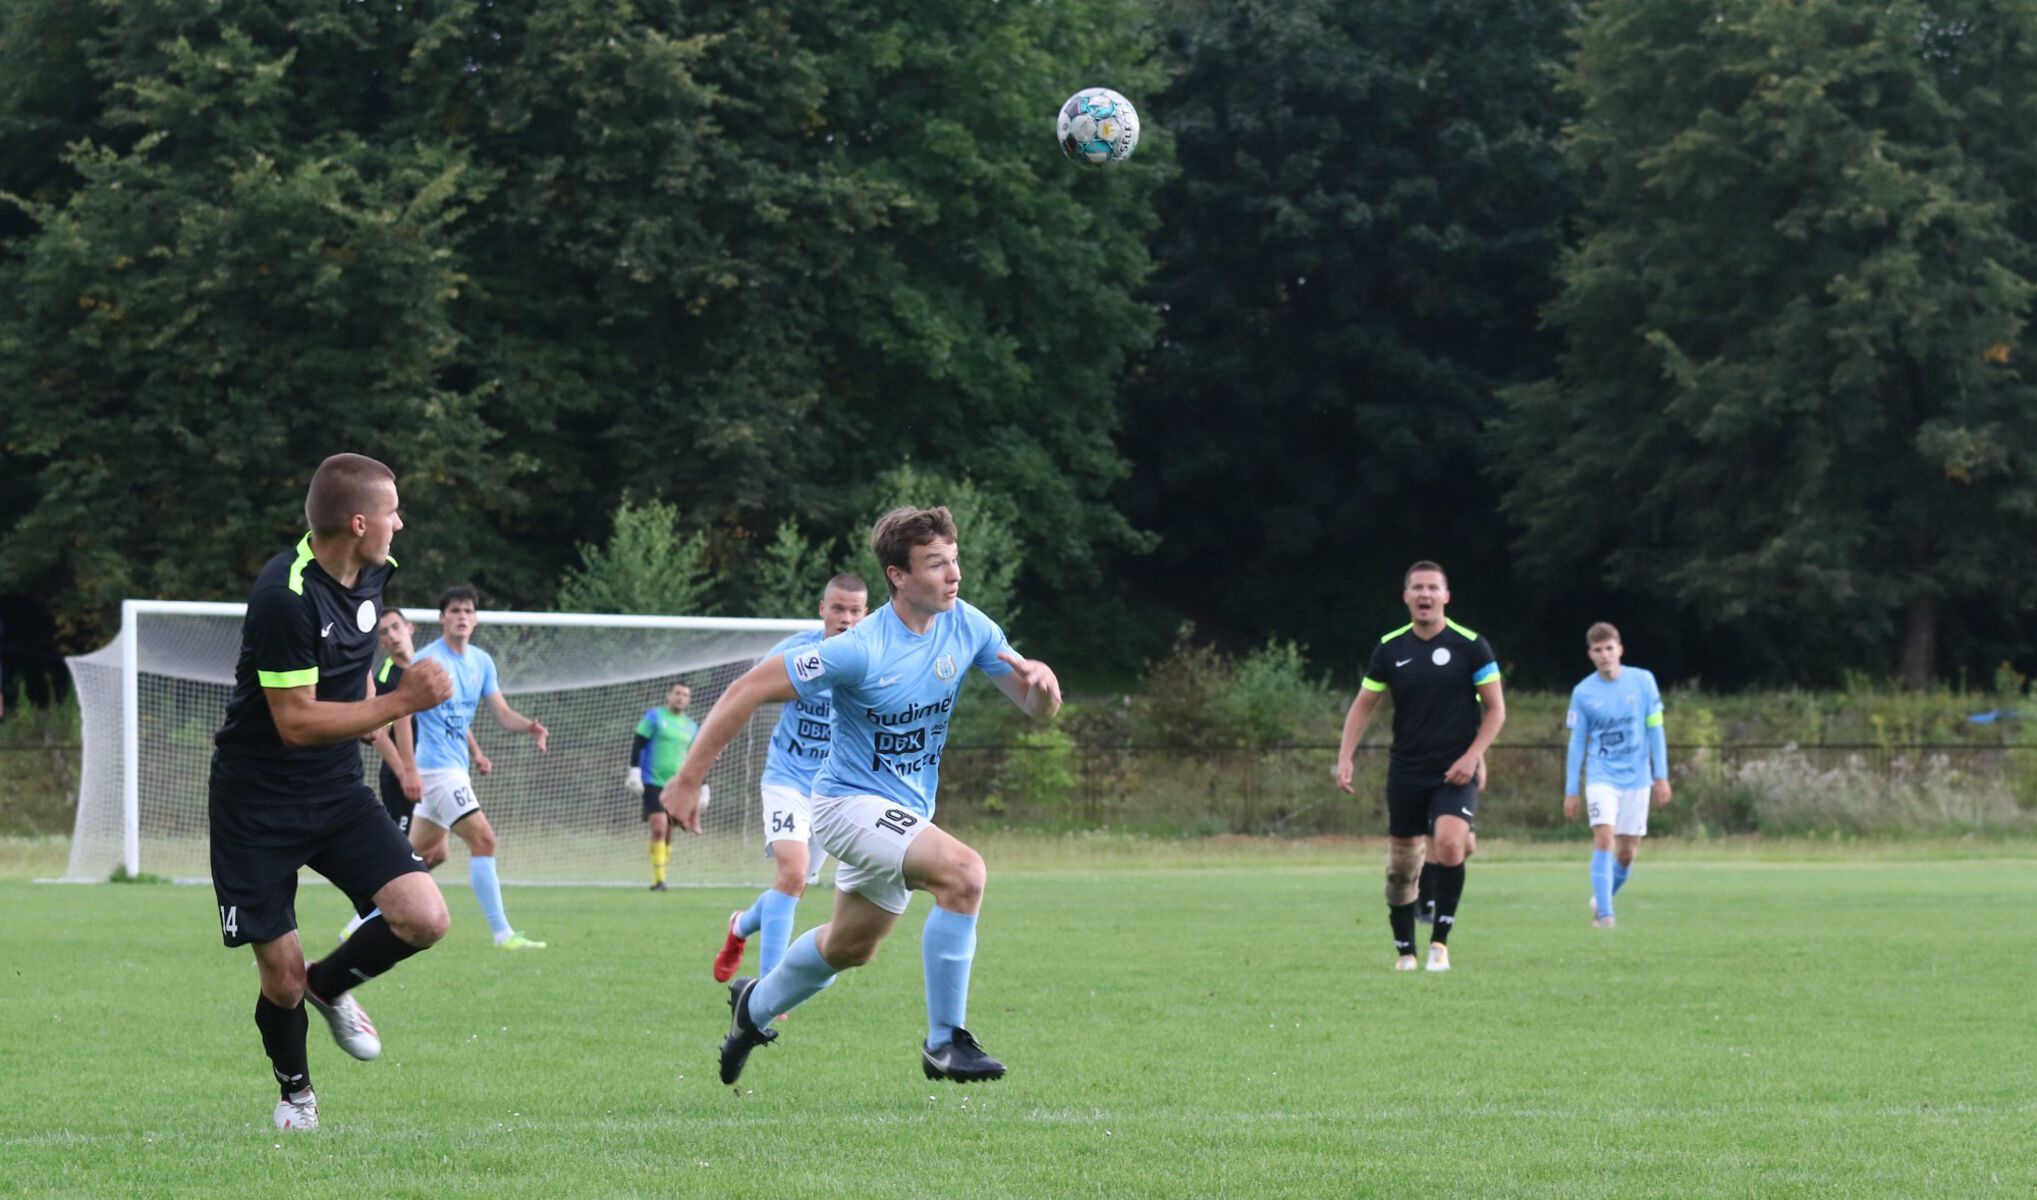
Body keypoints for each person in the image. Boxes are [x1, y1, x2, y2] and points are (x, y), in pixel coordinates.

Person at [663, 507, 1060, 1087]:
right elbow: (745, 689)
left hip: (903, 812)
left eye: (954, 560)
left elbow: (1032, 706)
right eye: (935, 564)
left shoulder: (968, 625)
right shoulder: (860, 647)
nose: (953, 575)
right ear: (898, 576)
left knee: (849, 949)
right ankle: (945, 1042)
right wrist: (687, 780)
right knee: (964, 874)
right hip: (847, 807)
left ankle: (750, 1009)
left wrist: (1044, 690)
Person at [207, 453, 454, 1131]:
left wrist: (398, 742)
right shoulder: (283, 596)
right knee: (278, 977)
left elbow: (358, 683)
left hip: (337, 792)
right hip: (256, 805)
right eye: (390, 511)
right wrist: (405, 697)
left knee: (424, 917)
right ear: (356, 521)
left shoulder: (375, 574)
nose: (398, 523)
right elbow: (296, 722)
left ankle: (332, 982)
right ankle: (296, 1097)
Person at [1334, 561, 1506, 972]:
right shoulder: (1390, 648)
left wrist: (1471, 757)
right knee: (1401, 869)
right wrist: (1344, 757)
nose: (1425, 595)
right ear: (1406, 596)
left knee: (1447, 843)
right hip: (1407, 770)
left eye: (1433, 588)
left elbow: (1496, 711)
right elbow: (1363, 705)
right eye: (1417, 588)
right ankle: (1405, 952)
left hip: (1455, 770)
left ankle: (1439, 945)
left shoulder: (1471, 645)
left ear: (1446, 596)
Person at [713, 574, 870, 981]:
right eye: (838, 608)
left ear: (866, 614)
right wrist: (719, 737)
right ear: (823, 609)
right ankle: (768, 990)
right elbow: (746, 690)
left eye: (855, 610)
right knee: (794, 872)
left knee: (793, 883)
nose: (846, 618)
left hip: (833, 791)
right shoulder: (796, 652)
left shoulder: (872, 657)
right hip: (786, 780)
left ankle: (739, 926)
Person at [409, 585, 549, 950]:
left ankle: (355, 926)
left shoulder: (481, 662)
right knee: (484, 840)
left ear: (475, 619)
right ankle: (502, 934)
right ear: (442, 617)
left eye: (468, 611)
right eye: (454, 611)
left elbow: (500, 712)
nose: (462, 617)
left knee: (416, 861)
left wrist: (528, 726)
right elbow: (404, 713)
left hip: (451, 770)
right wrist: (406, 766)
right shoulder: (426, 661)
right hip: (437, 771)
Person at [1563, 622, 1671, 928]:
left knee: (1626, 854)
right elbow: (1576, 743)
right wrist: (1571, 790)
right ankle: (1606, 916)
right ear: (1590, 655)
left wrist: (1661, 776)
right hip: (1601, 777)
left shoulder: (1643, 681)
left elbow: (1655, 729)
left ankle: (1602, 897)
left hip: (1638, 778)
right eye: (1598, 650)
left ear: (1620, 649)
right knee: (1604, 838)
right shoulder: (1583, 693)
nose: (1605, 655)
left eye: (1609, 648)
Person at [339, 608, 426, 941]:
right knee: (399, 853)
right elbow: (380, 733)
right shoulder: (388, 678)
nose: (391, 635)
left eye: (395, 628)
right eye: (384, 632)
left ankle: (402, 907)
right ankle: (361, 924)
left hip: (429, 774)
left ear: (410, 628)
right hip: (402, 779)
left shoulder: (422, 669)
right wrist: (404, 771)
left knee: (434, 851)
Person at [630, 680, 700, 891]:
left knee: (669, 832)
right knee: (659, 827)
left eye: (685, 695)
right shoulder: (654, 717)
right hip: (652, 780)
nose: (681, 697)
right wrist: (634, 771)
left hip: (677, 785)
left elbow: (697, 757)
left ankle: (662, 874)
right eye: (677, 693)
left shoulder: (692, 726)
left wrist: (702, 786)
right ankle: (658, 880)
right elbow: (638, 743)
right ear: (668, 695)